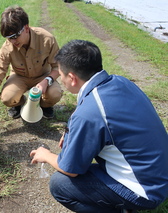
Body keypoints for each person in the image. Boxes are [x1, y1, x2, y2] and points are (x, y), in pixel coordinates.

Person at [30, 40, 168, 212]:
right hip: (160, 174)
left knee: (60, 184)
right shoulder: (120, 82)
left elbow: (70, 169)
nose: (61, 78)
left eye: (61, 74)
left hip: (144, 191)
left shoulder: (89, 113)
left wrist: (46, 154)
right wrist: (72, 129)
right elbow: (100, 117)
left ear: (72, 78)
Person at [0, 6, 62, 128]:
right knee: (7, 98)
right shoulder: (7, 48)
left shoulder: (47, 39)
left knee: (54, 94)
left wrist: (46, 81)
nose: (12, 41)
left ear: (26, 28)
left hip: (42, 75)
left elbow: (58, 66)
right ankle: (20, 103)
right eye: (8, 38)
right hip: (19, 76)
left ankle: (44, 105)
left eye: (15, 36)